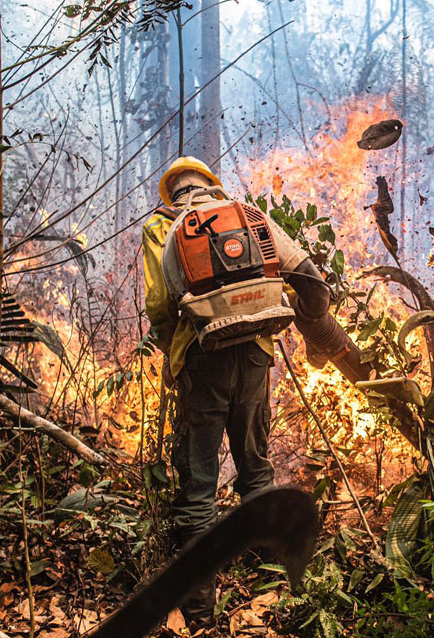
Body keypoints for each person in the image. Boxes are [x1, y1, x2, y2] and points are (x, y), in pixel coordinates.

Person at [142, 156, 370, 627]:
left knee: (200, 487)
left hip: (202, 360)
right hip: (255, 355)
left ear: (173, 193)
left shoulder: (161, 228)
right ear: (210, 185)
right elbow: (310, 279)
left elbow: (160, 306)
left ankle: (202, 617)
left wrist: (176, 352)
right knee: (256, 470)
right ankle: (276, 594)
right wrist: (313, 330)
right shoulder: (248, 215)